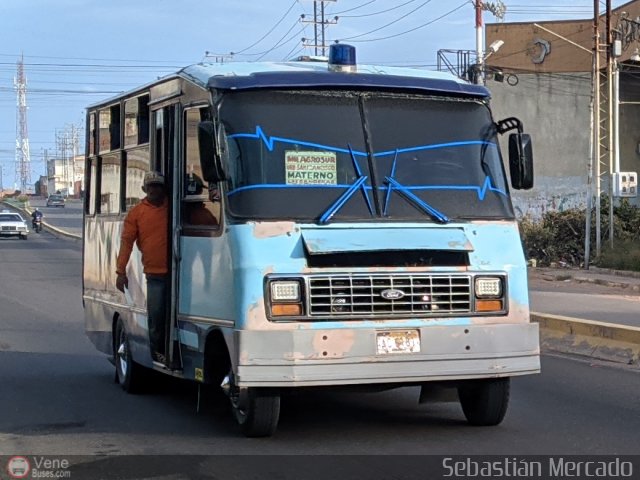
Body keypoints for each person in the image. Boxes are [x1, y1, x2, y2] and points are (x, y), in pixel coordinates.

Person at [115, 171, 169, 365]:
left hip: (180, 273)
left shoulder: (173, 208)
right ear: (145, 189)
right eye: (151, 186)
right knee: (156, 316)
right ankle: (157, 353)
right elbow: (126, 243)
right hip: (155, 274)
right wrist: (120, 272)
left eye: (158, 186)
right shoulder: (137, 213)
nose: (155, 190)